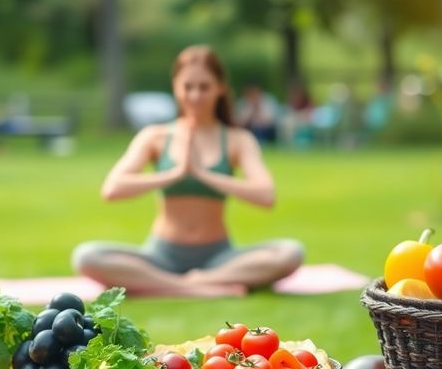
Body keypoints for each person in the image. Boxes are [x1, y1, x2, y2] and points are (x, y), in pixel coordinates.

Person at [71, 45, 304, 297]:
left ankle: (198, 280)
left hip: (220, 257)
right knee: (86, 256)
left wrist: (205, 174)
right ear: (175, 87)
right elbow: (112, 189)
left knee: (290, 252)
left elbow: (265, 195)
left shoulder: (238, 139)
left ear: (220, 88)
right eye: (188, 87)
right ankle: (190, 287)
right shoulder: (155, 136)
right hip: (161, 256)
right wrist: (174, 174)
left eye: (204, 87)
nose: (195, 96)